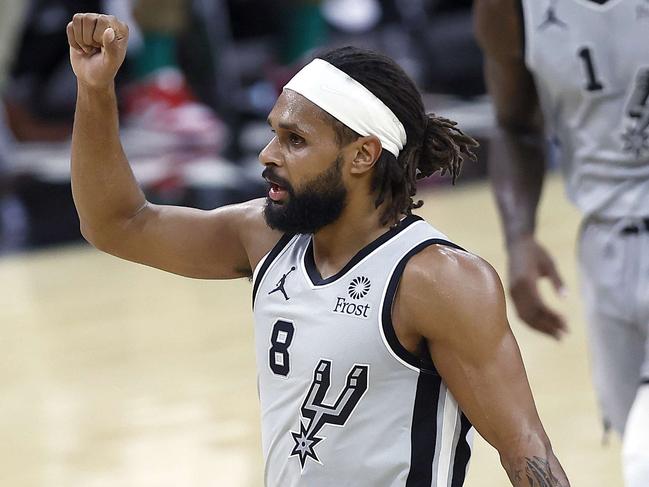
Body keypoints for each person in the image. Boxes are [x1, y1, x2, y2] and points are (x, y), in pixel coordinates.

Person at [66, 12, 570, 486]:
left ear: (362, 155)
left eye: (294, 140)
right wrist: (95, 90)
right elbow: (115, 223)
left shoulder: (437, 280)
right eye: (273, 134)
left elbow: (526, 450)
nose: (268, 154)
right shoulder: (265, 238)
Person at [474, 1, 649, 485]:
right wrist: (520, 239)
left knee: (644, 456)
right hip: (606, 241)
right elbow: (515, 125)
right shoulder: (504, 8)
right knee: (631, 431)